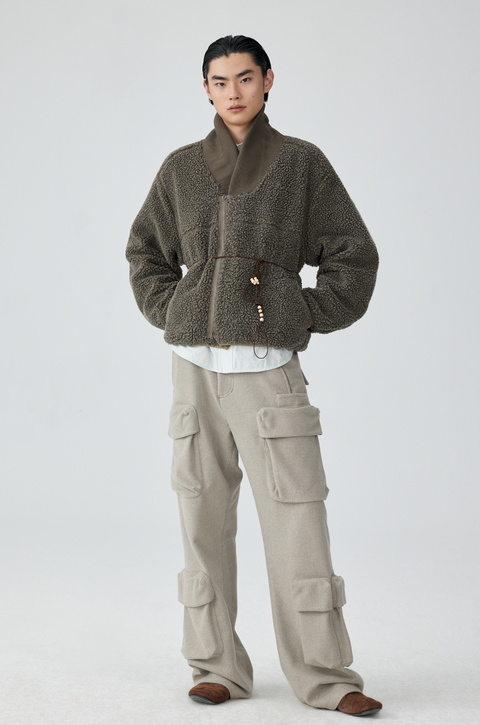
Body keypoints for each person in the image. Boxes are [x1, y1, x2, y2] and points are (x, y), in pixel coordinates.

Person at [125, 34, 382, 717]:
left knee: (298, 520)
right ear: (206, 89)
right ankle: (215, 666)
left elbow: (353, 256)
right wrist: (174, 310)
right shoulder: (181, 168)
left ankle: (326, 676)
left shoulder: (300, 164)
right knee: (200, 517)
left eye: (244, 77)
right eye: (219, 81)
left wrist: (302, 314)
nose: (233, 91)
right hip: (194, 371)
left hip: (269, 372)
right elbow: (146, 253)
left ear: (268, 80)